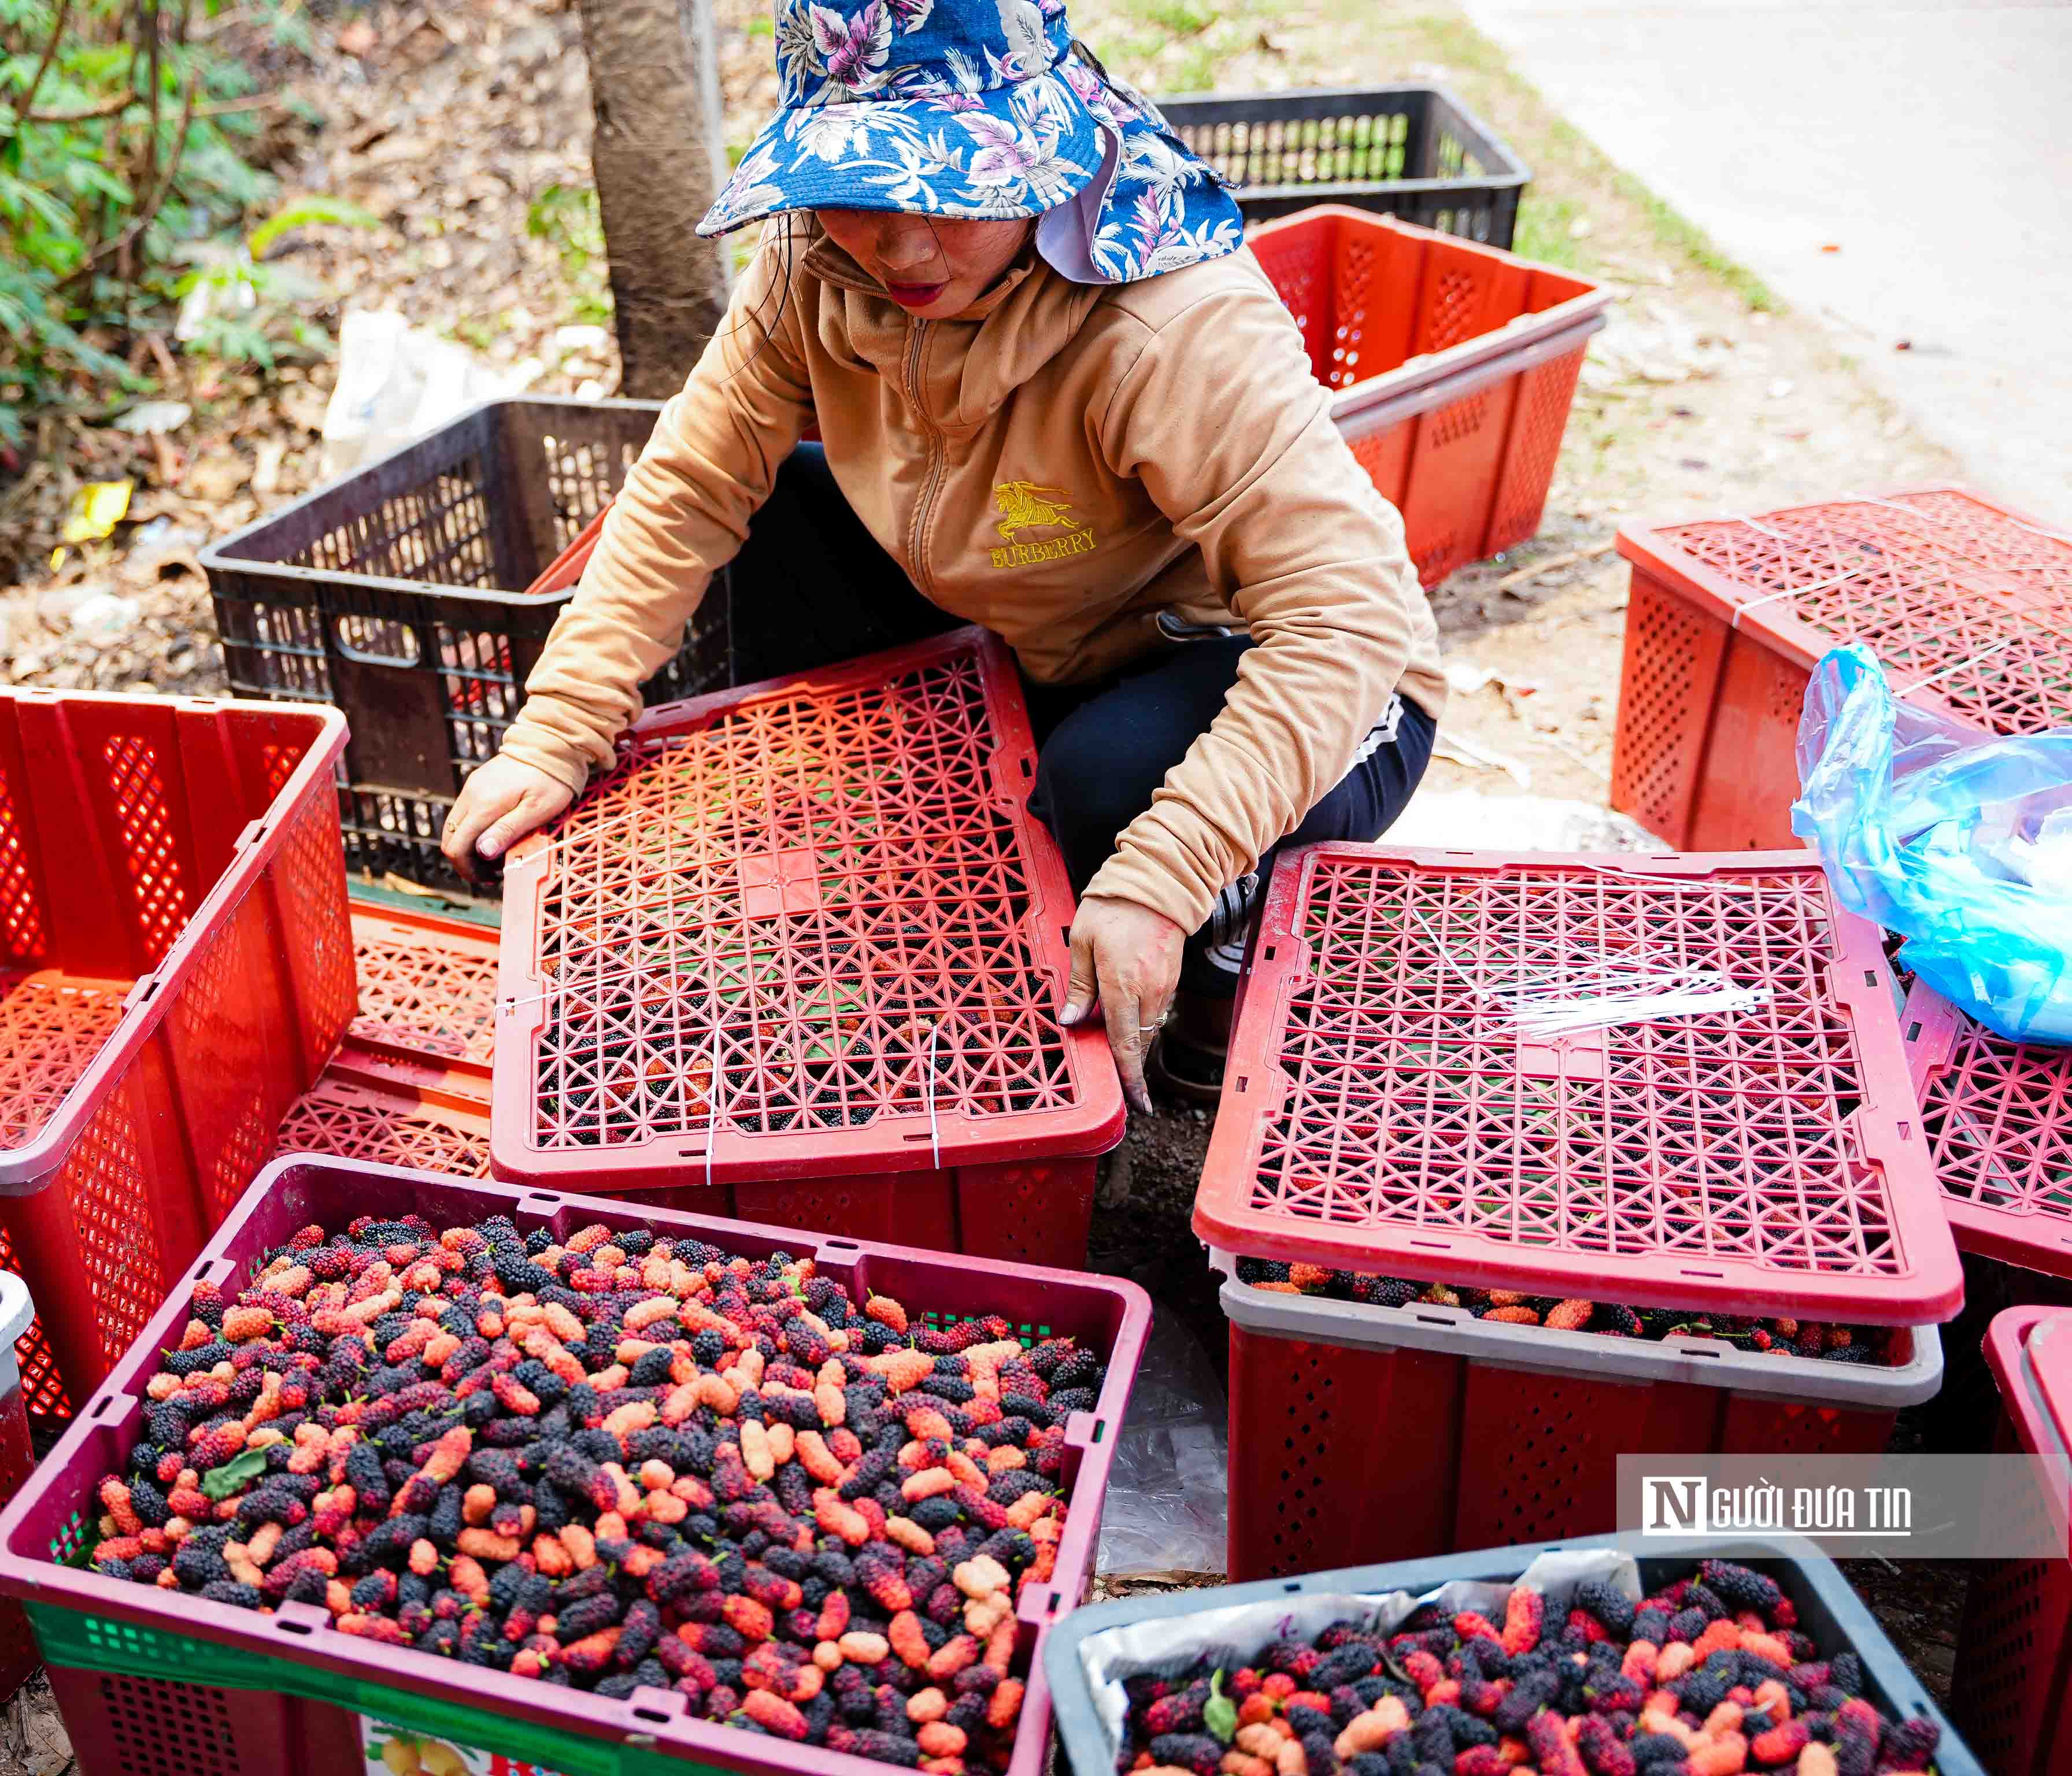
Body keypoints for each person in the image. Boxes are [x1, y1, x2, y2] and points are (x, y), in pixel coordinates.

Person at [441, 0, 1442, 1112]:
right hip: (1037, 623)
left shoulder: (1174, 325)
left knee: (1111, 789)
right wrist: (559, 728)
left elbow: (1344, 624)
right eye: (864, 195)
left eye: (950, 195)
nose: (902, 246)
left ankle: (1219, 963)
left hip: (1272, 666)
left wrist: (1165, 875)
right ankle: (879, 867)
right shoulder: (816, 264)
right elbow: (694, 478)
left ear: (1044, 152)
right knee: (779, 514)